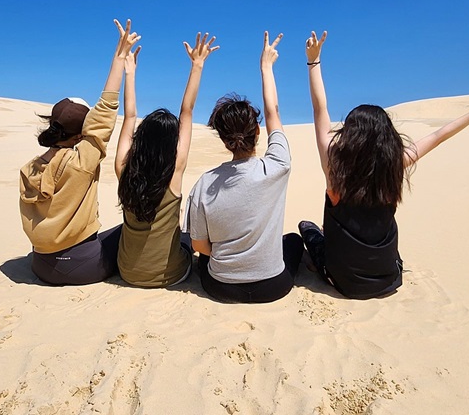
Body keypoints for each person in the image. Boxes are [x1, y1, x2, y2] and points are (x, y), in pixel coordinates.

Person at [299, 30, 469, 299]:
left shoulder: (334, 169)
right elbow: (439, 135)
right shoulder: (394, 165)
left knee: (307, 228)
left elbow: (319, 109)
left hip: (345, 283)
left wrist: (314, 63)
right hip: (390, 279)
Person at [18, 19, 141, 285]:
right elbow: (106, 111)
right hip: (81, 267)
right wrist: (120, 58)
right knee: (131, 231)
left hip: (39, 265)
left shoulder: (29, 169)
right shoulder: (81, 161)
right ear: (80, 134)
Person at [186, 32, 304, 303]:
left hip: (221, 288)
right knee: (295, 242)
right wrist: (266, 67)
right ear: (258, 132)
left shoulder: (205, 183)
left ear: (224, 140)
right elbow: (274, 114)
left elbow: (200, 246)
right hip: (273, 287)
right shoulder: (277, 165)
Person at [115, 32, 220, 288]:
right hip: (170, 275)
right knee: (185, 238)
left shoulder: (123, 170)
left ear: (140, 139)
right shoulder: (174, 171)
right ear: (170, 145)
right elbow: (187, 111)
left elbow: (129, 117)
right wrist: (197, 66)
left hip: (126, 273)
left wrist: (130, 73)